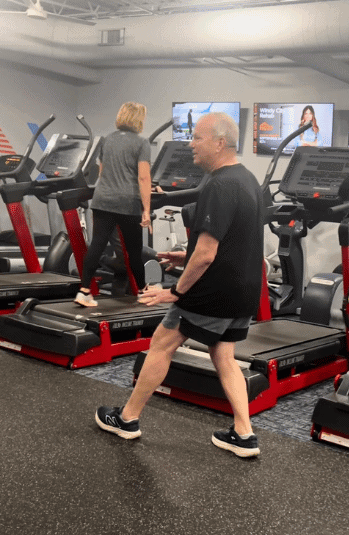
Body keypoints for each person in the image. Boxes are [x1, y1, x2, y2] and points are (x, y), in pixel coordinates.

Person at [94, 112, 267, 458]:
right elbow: (231, 241)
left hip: (211, 291)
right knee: (224, 354)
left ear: (219, 143)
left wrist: (175, 291)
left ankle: (127, 419)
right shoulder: (248, 179)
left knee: (161, 343)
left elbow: (206, 254)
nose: (191, 145)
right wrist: (182, 257)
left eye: (198, 138)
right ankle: (244, 434)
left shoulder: (219, 184)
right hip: (244, 290)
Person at [75, 102, 152, 307]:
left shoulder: (107, 140)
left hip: (102, 199)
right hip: (127, 203)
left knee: (97, 245)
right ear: (139, 119)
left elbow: (102, 173)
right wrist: (146, 210)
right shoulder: (141, 143)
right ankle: (143, 291)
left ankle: (84, 291)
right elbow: (144, 178)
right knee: (134, 250)